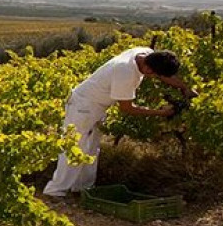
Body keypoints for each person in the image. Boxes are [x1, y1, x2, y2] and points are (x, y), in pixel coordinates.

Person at [43, 47, 197, 197]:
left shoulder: (146, 54)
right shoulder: (125, 72)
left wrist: (184, 87)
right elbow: (127, 108)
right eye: (155, 75)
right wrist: (161, 112)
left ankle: (82, 189)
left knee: (91, 149)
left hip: (98, 106)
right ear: (149, 70)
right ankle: (55, 191)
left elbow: (163, 75)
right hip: (83, 106)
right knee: (74, 147)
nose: (155, 78)